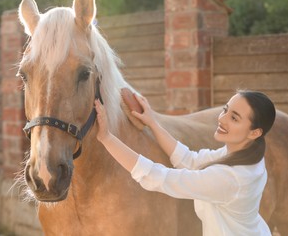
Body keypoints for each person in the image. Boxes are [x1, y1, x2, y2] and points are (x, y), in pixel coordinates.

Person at [94, 90, 276, 236]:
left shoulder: (230, 178)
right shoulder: (243, 154)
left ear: (254, 133)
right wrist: (153, 123)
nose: (221, 119)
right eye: (225, 110)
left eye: (234, 118)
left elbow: (155, 176)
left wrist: (106, 137)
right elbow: (190, 160)